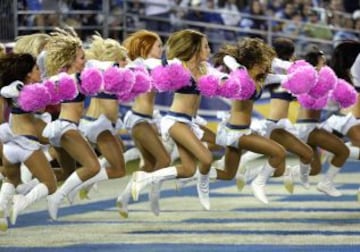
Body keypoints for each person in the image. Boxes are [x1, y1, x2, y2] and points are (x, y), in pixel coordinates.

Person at [130, 29, 213, 211]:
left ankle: (145, 178)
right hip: (175, 121)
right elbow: (154, 63)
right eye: (205, 47)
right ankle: (203, 188)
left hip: (189, 122)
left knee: (189, 169)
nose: (209, 50)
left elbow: (219, 79)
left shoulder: (204, 68)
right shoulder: (178, 65)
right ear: (194, 49)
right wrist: (138, 63)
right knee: (206, 158)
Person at [211, 38, 287, 204]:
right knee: (279, 152)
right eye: (265, 60)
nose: (267, 64)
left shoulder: (261, 79)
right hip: (236, 132)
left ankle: (193, 174)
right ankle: (257, 183)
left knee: (227, 174)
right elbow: (226, 58)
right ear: (255, 60)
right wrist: (237, 67)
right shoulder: (239, 76)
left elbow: (283, 78)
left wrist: (297, 71)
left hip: (241, 130)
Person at [239, 38, 313, 194]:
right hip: (275, 124)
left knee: (282, 166)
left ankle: (247, 173)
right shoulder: (273, 70)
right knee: (300, 154)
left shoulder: (276, 72)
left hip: (279, 124)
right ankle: (248, 171)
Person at [43, 27, 101, 220]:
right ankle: (57, 198)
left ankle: (24, 188)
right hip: (66, 127)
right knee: (93, 167)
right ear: (70, 60)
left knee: (68, 174)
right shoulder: (68, 78)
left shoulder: (67, 78)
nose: (84, 61)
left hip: (60, 128)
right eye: (81, 58)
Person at [66, 34, 128, 203]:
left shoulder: (101, 73)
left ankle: (80, 185)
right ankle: (75, 187)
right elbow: (110, 112)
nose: (126, 62)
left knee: (119, 150)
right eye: (123, 59)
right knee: (118, 170)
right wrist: (118, 124)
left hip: (93, 122)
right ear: (113, 59)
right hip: (100, 125)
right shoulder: (110, 75)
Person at [116, 29, 171, 217]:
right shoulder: (139, 64)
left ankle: (124, 197)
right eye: (158, 45)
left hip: (146, 118)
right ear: (147, 47)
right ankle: (153, 196)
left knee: (149, 165)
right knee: (164, 159)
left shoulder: (152, 65)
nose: (162, 49)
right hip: (138, 120)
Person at [0, 53, 57, 231]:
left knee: (11, 179)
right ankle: (21, 202)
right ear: (28, 74)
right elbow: (41, 107)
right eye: (36, 69)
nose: (39, 72)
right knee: (51, 184)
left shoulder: (16, 88)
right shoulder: (27, 89)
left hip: (10, 144)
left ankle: (1, 213)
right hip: (26, 143)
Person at [294, 45, 349, 196]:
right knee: (343, 151)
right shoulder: (312, 79)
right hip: (307, 127)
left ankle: (289, 172)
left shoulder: (317, 79)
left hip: (308, 126)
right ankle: (326, 183)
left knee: (315, 169)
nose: (325, 66)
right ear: (314, 64)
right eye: (322, 62)